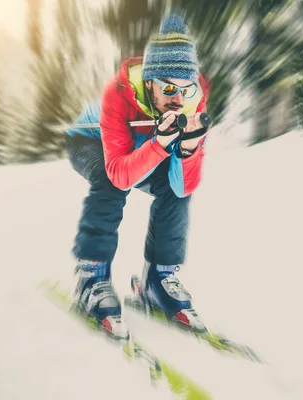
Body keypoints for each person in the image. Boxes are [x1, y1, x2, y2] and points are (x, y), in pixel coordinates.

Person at [64, 12, 210, 339]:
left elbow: (183, 184)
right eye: (169, 88)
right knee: (109, 181)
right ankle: (92, 275)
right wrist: (159, 143)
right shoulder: (116, 93)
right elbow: (118, 172)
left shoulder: (193, 102)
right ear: (149, 81)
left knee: (176, 191)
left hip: (144, 146)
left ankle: (157, 280)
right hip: (89, 141)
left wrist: (187, 150)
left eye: (186, 90)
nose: (178, 99)